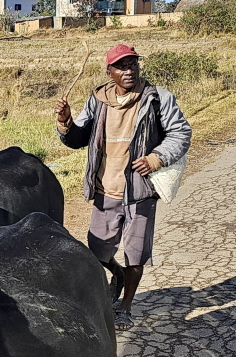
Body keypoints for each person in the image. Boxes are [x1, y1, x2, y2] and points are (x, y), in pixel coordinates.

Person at [54, 43, 191, 331]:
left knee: (136, 252)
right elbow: (78, 138)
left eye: (133, 64)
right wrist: (65, 121)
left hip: (140, 190)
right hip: (106, 188)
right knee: (97, 250)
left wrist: (157, 158)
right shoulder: (99, 99)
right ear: (110, 71)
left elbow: (181, 132)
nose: (129, 70)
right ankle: (116, 274)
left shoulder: (157, 98)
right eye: (121, 66)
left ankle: (125, 306)